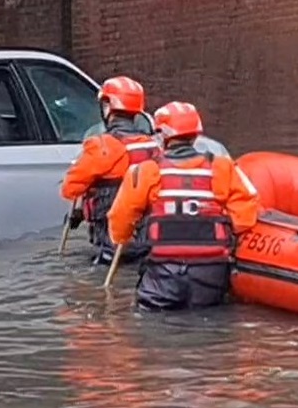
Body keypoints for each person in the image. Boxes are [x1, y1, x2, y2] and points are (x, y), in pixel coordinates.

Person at [107, 101, 261, 311]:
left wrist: (122, 237)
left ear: (162, 135)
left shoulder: (146, 172)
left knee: (152, 319)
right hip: (211, 274)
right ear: (196, 135)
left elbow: (119, 219)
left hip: (163, 274)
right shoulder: (222, 167)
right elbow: (247, 210)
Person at [62, 76, 163, 263]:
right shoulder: (153, 147)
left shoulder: (101, 146)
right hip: (150, 245)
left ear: (107, 107)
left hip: (111, 246)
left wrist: (81, 207)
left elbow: (70, 189)